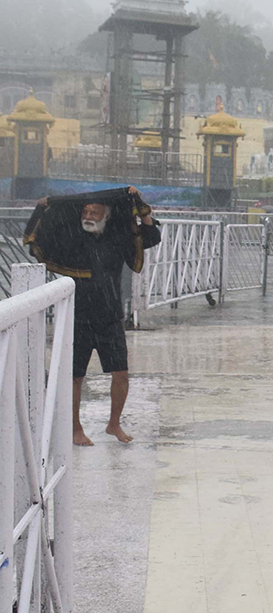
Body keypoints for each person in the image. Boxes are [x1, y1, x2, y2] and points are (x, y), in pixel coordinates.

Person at [25, 188, 161, 446]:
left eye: (94, 211)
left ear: (106, 216)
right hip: (78, 317)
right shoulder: (71, 238)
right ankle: (75, 428)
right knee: (75, 376)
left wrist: (142, 209)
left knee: (121, 373)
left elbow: (151, 236)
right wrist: (41, 208)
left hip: (110, 316)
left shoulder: (117, 238)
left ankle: (114, 424)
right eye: (85, 211)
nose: (88, 215)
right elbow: (37, 244)